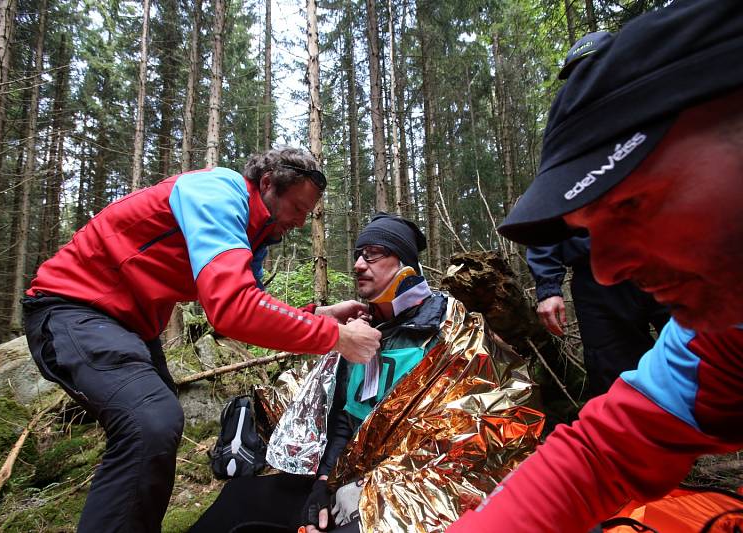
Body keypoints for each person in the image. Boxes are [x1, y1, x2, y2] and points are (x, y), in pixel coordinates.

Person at [449, 1, 743, 531]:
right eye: (589, 226)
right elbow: (606, 451)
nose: (608, 266)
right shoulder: (721, 336)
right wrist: (547, 285)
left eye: (632, 204)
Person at [22, 146, 382, 533]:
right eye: (296, 209)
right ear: (267, 185)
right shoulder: (218, 192)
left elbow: (240, 315)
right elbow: (234, 308)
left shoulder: (252, 234)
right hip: (72, 307)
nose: (299, 222)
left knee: (156, 433)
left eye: (306, 214)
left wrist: (320, 316)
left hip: (129, 328)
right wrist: (337, 336)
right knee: (150, 422)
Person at [189, 213, 448, 533]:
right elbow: (342, 419)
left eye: (372, 254)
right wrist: (323, 485)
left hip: (411, 496)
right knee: (238, 498)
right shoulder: (361, 331)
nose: (358, 265)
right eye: (357, 255)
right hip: (345, 482)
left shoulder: (443, 333)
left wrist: (372, 487)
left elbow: (448, 441)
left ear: (404, 264)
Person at [527, 235, 669, 397]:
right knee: (614, 375)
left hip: (668, 256)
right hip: (597, 271)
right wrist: (548, 286)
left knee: (696, 352)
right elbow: (544, 221)